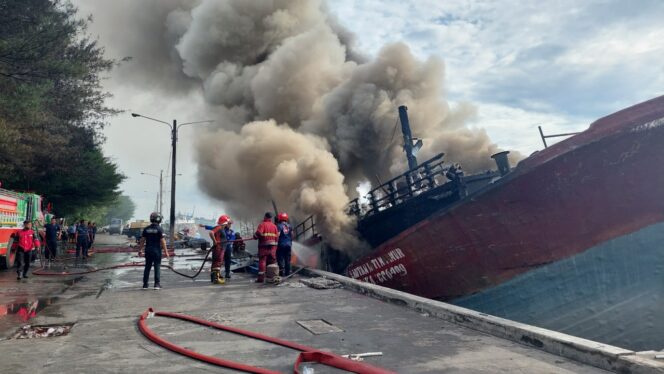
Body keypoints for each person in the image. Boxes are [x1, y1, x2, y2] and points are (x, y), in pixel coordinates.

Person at [138, 212, 169, 290]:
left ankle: (145, 285)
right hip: (156, 250)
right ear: (159, 219)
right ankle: (156, 284)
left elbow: (142, 240)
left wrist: (140, 250)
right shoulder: (160, 229)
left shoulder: (146, 229)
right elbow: (163, 241)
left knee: (147, 267)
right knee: (157, 267)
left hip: (148, 250)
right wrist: (166, 252)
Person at [254, 212, 279, 283]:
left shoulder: (262, 224)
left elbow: (259, 233)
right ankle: (273, 278)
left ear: (265, 217)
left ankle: (261, 279)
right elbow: (277, 238)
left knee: (262, 261)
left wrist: (255, 236)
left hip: (263, 247)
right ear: (270, 218)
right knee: (272, 262)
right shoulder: (274, 226)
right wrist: (275, 248)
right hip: (273, 247)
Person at [206, 215, 231, 285]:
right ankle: (216, 279)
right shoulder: (219, 227)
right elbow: (211, 232)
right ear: (225, 222)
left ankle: (214, 277)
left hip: (220, 248)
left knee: (216, 262)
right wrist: (215, 241)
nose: (227, 224)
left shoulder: (221, 228)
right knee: (218, 262)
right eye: (227, 222)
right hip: (219, 248)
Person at [276, 212, 293, 277]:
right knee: (287, 259)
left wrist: (276, 242)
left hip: (281, 244)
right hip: (288, 245)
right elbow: (292, 235)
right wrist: (290, 241)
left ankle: (281, 273)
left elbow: (278, 234)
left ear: (279, 218)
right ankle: (287, 273)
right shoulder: (289, 226)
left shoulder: (279, 226)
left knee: (280, 259)